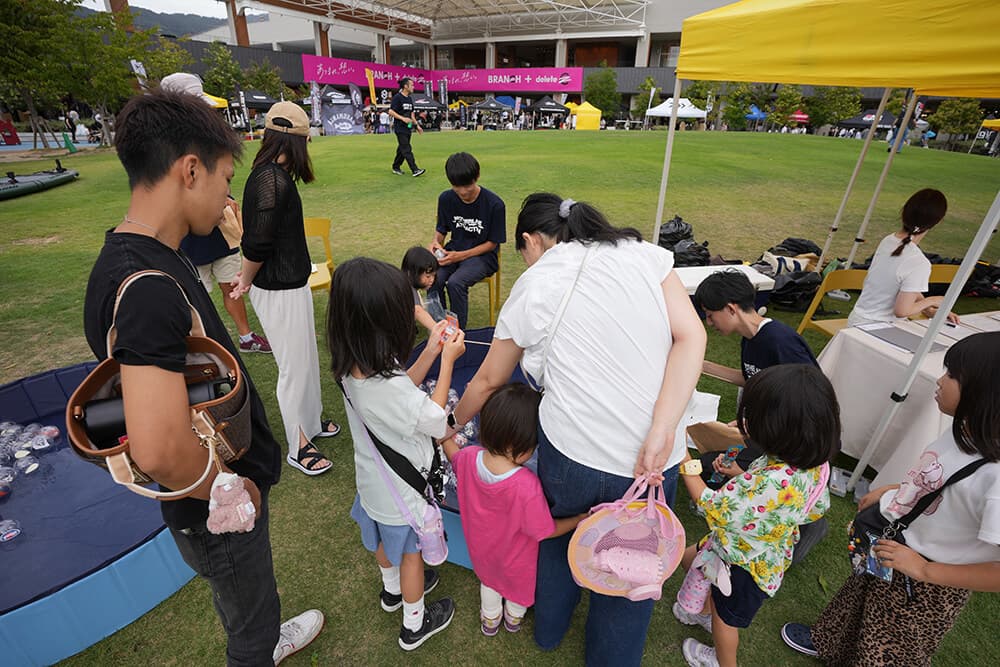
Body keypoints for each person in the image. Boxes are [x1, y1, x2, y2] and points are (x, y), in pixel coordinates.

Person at [82, 88, 323, 666]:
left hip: (210, 493)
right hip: (212, 508)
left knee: (250, 602)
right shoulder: (147, 287)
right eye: (224, 181)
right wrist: (230, 490)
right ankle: (261, 645)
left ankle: (265, 632)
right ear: (190, 171)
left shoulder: (141, 256)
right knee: (248, 631)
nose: (228, 199)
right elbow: (159, 448)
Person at [448, 193, 706, 665]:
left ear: (531, 241)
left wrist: (448, 423)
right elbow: (692, 336)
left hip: (573, 454)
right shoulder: (645, 255)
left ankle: (549, 630)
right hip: (654, 458)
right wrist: (664, 426)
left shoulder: (538, 280)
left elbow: (486, 381)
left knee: (558, 542)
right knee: (632, 564)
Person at [781, 332, 1000, 666]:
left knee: (889, 644)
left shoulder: (995, 476)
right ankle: (830, 642)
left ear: (985, 393)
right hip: (896, 545)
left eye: (952, 375)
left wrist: (926, 570)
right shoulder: (965, 429)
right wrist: (893, 492)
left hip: (927, 583)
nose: (940, 380)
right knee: (858, 600)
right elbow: (939, 479)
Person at [326, 257, 464, 651]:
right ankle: (414, 623)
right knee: (411, 557)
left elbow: (402, 385)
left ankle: (391, 591)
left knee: (385, 541)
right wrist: (448, 362)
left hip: (374, 484)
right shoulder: (383, 386)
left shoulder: (354, 366)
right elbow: (435, 421)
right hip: (403, 495)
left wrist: (431, 352)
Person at [675, 365, 840, 667]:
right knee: (694, 558)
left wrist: (684, 459)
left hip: (744, 567)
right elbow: (814, 507)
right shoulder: (813, 463)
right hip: (764, 550)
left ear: (778, 428)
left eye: (753, 417)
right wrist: (743, 476)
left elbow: (711, 505)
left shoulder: (772, 483)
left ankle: (721, 661)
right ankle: (700, 609)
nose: (744, 422)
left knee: (725, 620)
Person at [230, 101, 339, 477]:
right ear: (294, 142)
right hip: (276, 288)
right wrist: (246, 279)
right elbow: (256, 242)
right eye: (306, 140)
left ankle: (311, 421)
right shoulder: (269, 179)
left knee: (306, 357)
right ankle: (298, 445)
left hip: (292, 282)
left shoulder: (277, 176)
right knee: (293, 366)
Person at [440, 383, 587, 636]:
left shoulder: (469, 457)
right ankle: (513, 619)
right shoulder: (526, 486)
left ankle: (490, 620)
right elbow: (545, 530)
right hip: (517, 560)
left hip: (482, 552)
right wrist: (578, 519)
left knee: (489, 583)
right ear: (521, 445)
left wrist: (444, 435)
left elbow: (453, 453)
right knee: (518, 591)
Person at [160, 72, 272, 355]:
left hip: (219, 232)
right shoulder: (163, 149)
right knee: (193, 295)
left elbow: (219, 179)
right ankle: (201, 345)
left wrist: (225, 198)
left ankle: (246, 337)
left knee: (230, 284)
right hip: (186, 237)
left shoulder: (208, 140)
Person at [847, 189, 959, 327]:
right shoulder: (918, 262)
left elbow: (902, 286)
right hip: (879, 327)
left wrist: (928, 309)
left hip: (858, 320)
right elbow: (901, 311)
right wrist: (932, 301)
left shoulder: (888, 240)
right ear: (939, 220)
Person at [427, 152, 506, 329]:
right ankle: (439, 325)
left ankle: (457, 331)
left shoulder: (495, 204)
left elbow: (492, 243)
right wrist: (435, 243)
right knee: (433, 278)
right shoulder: (446, 199)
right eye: (457, 186)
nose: (463, 192)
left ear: (477, 177)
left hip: (484, 256)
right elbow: (441, 229)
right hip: (453, 250)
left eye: (467, 185)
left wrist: (460, 256)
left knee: (456, 282)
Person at [389, 77, 425, 177]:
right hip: (400, 128)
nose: (413, 87)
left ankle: (396, 167)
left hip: (408, 128)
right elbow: (391, 111)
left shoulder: (409, 98)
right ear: (405, 86)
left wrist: (417, 126)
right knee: (406, 148)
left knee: (402, 149)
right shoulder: (397, 97)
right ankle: (415, 169)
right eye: (412, 85)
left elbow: (412, 114)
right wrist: (403, 118)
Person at [401, 246, 440, 332]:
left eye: (434, 275)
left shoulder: (403, 280)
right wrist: (438, 330)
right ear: (411, 273)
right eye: (428, 276)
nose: (432, 280)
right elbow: (418, 311)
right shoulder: (407, 287)